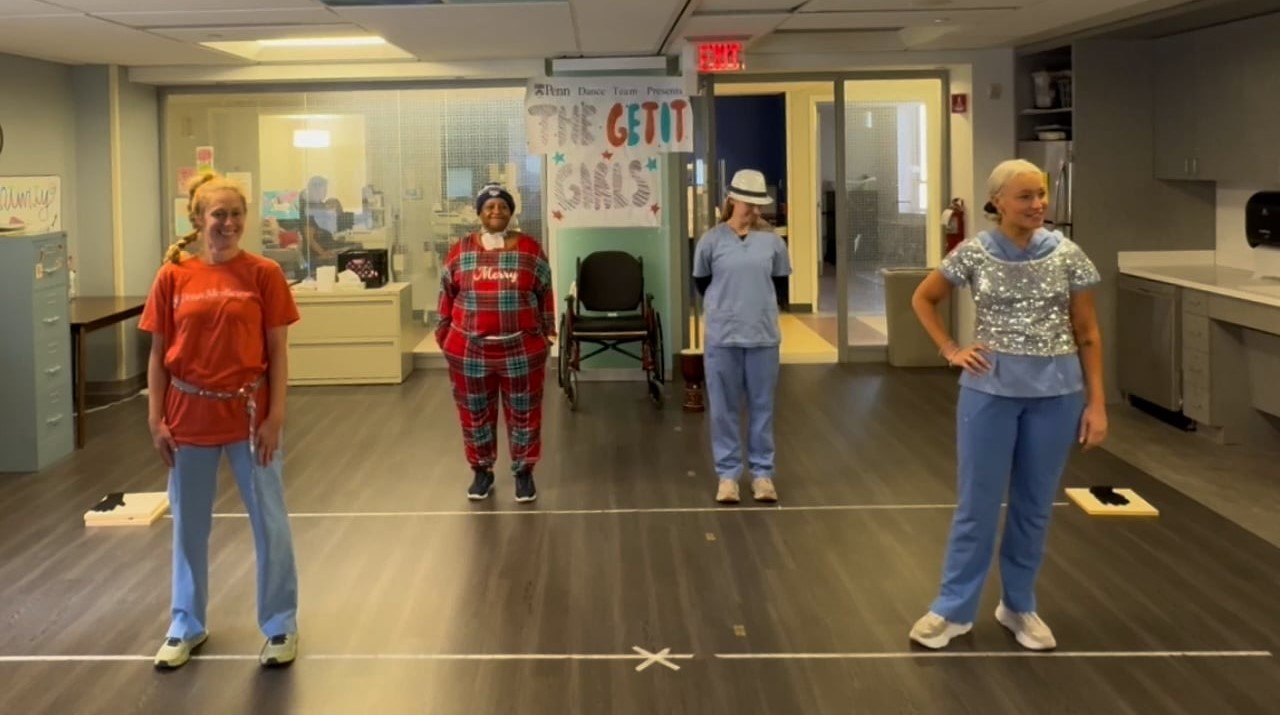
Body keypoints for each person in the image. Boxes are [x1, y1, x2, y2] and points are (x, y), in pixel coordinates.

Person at [907, 158, 1107, 651]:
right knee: (976, 503)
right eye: (1025, 196)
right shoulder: (974, 253)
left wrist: (1097, 404)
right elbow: (923, 298)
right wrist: (951, 349)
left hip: (1057, 395)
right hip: (989, 392)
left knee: (1034, 506)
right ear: (997, 201)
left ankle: (1019, 605)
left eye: (1041, 194)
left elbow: (1088, 333)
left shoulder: (1068, 255)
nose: (1038, 204)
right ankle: (953, 609)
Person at [139, 172, 301, 669]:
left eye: (236, 214)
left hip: (250, 418)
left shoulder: (264, 274)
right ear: (198, 219)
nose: (228, 223)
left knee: (269, 523)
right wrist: (155, 420)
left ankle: (279, 625)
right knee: (189, 526)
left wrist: (275, 417)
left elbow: (278, 350)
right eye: (218, 214)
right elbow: (159, 353)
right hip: (188, 417)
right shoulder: (173, 277)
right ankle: (185, 623)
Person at [436, 183, 555, 503]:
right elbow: (446, 295)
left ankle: (524, 473)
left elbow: (545, 293)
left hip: (521, 349)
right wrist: (445, 337)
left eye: (502, 206)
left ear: (511, 211)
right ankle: (482, 472)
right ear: (479, 213)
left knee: (525, 413)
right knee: (475, 414)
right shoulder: (460, 250)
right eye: (489, 207)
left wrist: (547, 335)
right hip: (470, 351)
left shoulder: (530, 249)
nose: (496, 211)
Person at [691, 169, 792, 504]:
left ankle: (762, 475)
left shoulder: (774, 243)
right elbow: (702, 283)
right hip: (723, 337)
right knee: (723, 408)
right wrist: (727, 306)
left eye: (757, 203)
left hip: (762, 336)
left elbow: (779, 286)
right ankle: (728, 476)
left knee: (763, 408)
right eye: (747, 202)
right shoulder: (711, 241)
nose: (753, 209)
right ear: (731, 200)